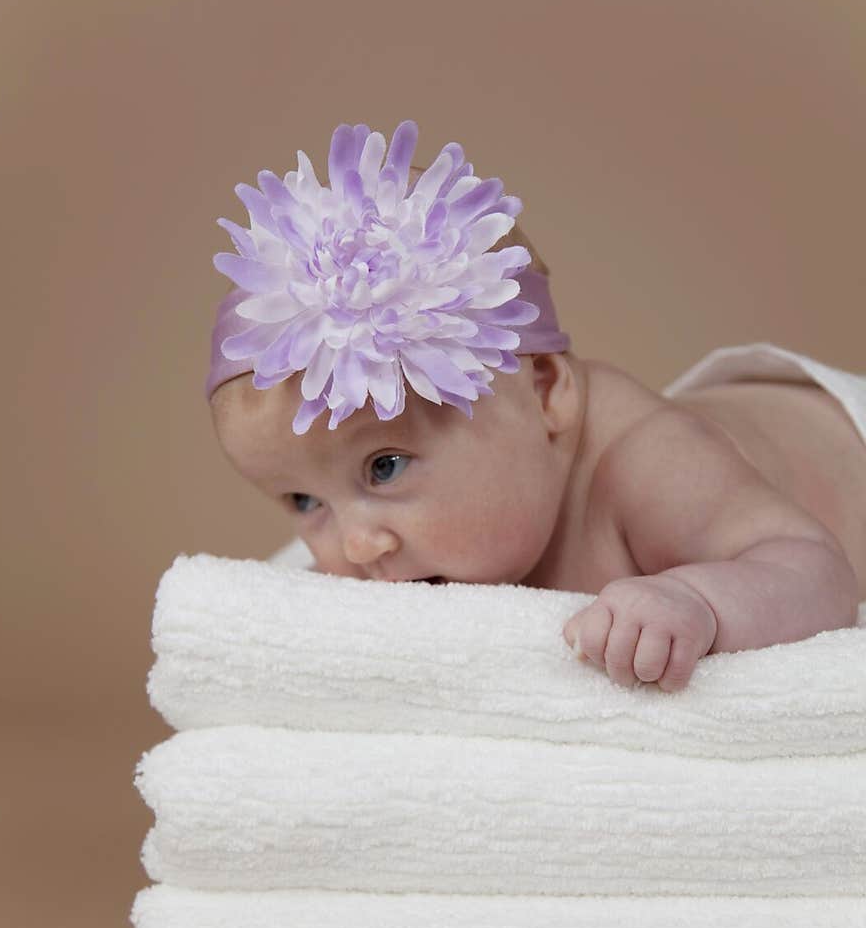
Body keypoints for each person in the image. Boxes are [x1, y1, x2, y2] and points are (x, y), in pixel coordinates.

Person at [206, 120, 865, 693]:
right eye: (303, 503)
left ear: (546, 389)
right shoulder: (432, 533)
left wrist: (697, 599)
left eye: (384, 468)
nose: (355, 545)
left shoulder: (647, 464)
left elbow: (815, 570)